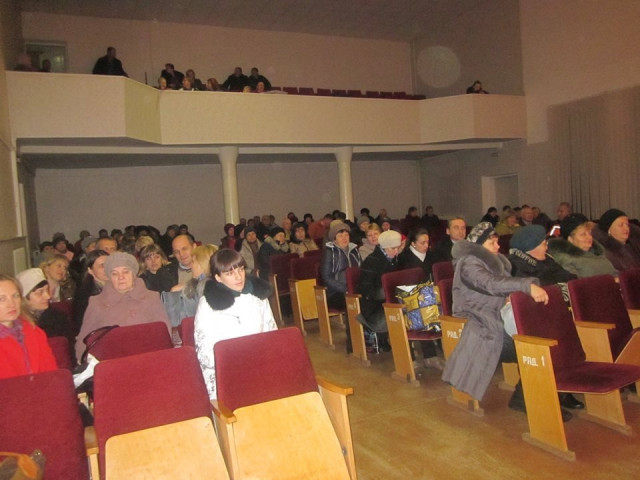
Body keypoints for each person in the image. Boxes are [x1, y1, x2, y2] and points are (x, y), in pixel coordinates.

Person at [441, 222, 549, 412]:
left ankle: (532, 395)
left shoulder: (491, 262)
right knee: (535, 346)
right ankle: (525, 397)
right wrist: (526, 286)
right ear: (479, 246)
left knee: (539, 337)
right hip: (478, 321)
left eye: (498, 242)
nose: (498, 247)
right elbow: (489, 284)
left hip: (493, 316)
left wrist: (509, 296)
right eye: (492, 243)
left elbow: (498, 287)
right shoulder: (468, 263)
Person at [507, 225, 584, 410]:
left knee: (571, 334)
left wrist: (561, 290)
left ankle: (562, 388)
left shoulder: (546, 260)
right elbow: (529, 294)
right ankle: (535, 394)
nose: (547, 247)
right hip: (530, 317)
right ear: (530, 247)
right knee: (554, 338)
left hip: (553, 310)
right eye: (543, 244)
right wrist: (559, 290)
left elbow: (570, 278)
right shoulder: (515, 266)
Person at [194, 249, 277, 399]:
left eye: (241, 270)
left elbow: (271, 333)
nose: (238, 277)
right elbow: (205, 351)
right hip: (226, 370)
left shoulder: (258, 297)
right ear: (218, 277)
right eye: (230, 273)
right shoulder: (208, 305)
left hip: (259, 364)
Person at [76, 252, 171, 360]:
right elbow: (83, 340)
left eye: (126, 272)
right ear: (109, 277)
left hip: (148, 358)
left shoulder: (151, 298)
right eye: (114, 274)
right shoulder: (96, 302)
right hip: (111, 361)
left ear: (134, 274)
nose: (121, 277)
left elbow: (164, 334)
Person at [397, 228, 443, 369]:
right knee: (422, 314)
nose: (426, 246)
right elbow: (403, 285)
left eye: (428, 242)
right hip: (411, 298)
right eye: (422, 243)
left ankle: (439, 354)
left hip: (431, 296)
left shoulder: (433, 256)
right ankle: (430, 356)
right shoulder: (404, 259)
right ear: (413, 243)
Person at [0, 274, 57, 380]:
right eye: (2, 299)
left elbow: (52, 375)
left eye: (15, 296)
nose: (12, 304)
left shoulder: (35, 332)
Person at [16, 268, 76, 365]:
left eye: (47, 290)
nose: (47, 296)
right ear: (23, 298)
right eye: (40, 293)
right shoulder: (15, 324)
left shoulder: (59, 319)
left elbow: (70, 355)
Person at [547, 214, 616, 278]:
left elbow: (615, 273)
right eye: (583, 234)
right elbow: (577, 284)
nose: (589, 237)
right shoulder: (566, 259)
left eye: (589, 233)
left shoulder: (598, 252)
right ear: (570, 239)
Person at [72, 249, 109, 337]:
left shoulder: (120, 287)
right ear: (90, 270)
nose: (107, 269)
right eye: (102, 266)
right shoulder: (84, 294)